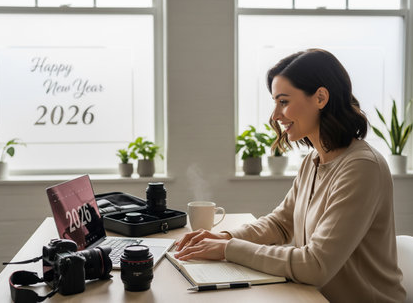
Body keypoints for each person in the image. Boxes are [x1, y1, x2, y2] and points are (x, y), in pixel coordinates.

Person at [174, 49, 406, 302]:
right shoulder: (314, 160)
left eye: (283, 102)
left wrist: (228, 249)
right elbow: (280, 223)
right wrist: (225, 236)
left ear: (320, 97)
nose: (275, 115)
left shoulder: (362, 167)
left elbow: (315, 265)